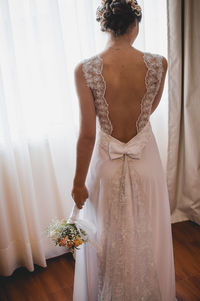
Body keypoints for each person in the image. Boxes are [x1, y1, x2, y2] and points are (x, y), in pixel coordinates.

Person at [71, 0, 177, 300]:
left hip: (106, 162)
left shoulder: (86, 69)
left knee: (106, 235)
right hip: (147, 161)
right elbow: (149, 110)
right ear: (135, 25)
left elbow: (88, 134)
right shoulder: (159, 63)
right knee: (150, 231)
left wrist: (78, 183)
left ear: (105, 25)